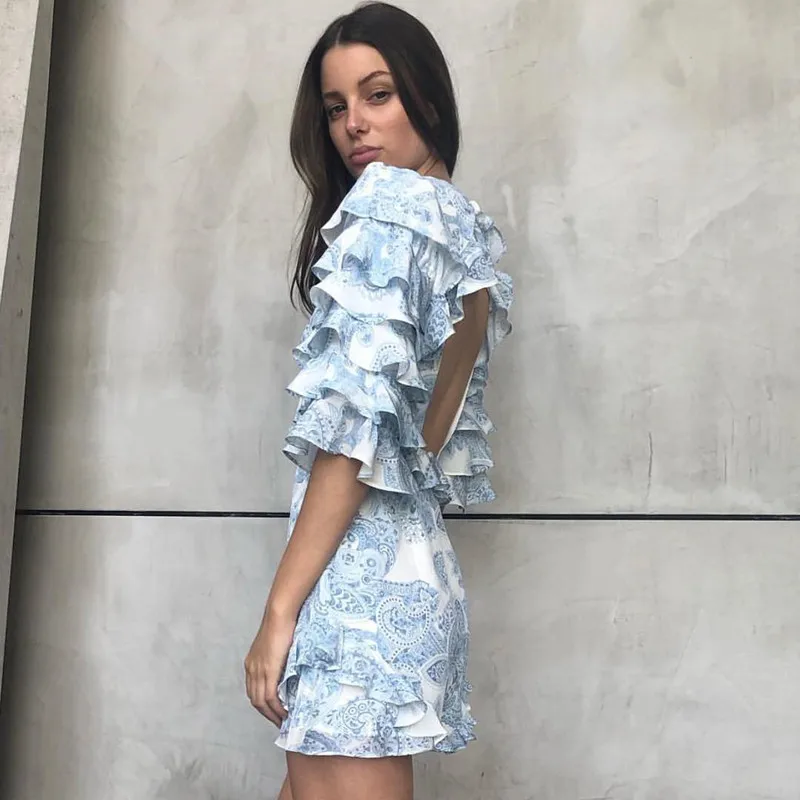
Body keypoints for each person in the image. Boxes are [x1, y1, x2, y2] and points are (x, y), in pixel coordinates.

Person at [244, 3, 513, 799]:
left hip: (358, 593)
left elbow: (354, 437)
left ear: (428, 95)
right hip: (412, 576)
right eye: (336, 107)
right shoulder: (464, 229)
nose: (353, 125)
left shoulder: (390, 215)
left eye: (378, 94)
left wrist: (279, 612)